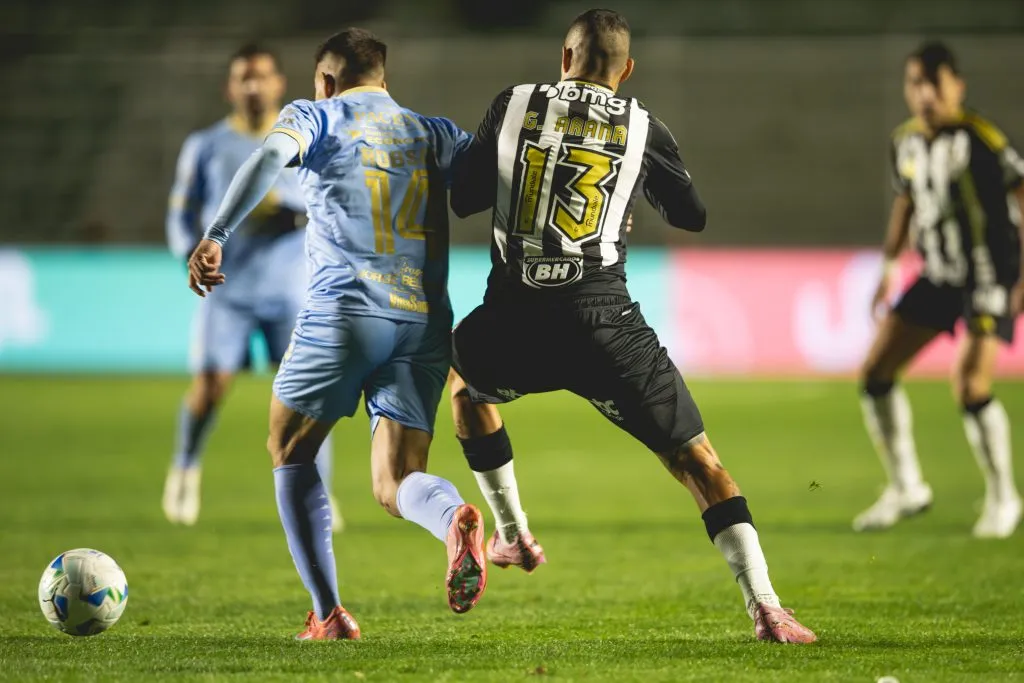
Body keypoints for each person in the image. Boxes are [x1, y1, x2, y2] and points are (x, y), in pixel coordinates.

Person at [445, 9, 816, 643]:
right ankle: (767, 607)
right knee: (699, 462)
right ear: (627, 70)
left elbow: (463, 197)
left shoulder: (513, 102)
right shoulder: (645, 126)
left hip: (514, 324)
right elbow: (691, 216)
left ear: (564, 58)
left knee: (464, 386)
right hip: (607, 329)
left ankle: (513, 536)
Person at [186, 29, 487, 640]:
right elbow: (489, 191)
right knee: (397, 481)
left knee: (289, 448)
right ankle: (452, 515)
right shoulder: (436, 132)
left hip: (345, 313)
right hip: (424, 322)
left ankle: (328, 614)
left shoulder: (315, 116)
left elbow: (267, 160)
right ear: (384, 76)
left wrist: (217, 232)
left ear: (325, 79)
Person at [163, 44, 340, 530]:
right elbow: (181, 214)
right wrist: (189, 254)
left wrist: (295, 216)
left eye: (262, 76)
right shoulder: (206, 145)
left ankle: (316, 491)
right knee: (211, 388)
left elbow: (330, 205)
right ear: (230, 87)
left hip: (291, 289)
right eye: (244, 77)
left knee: (307, 396)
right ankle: (185, 465)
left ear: (280, 84)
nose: (253, 86)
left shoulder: (308, 139)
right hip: (229, 290)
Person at [855, 41, 1024, 539]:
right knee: (874, 373)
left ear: (957, 86)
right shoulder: (904, 141)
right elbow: (905, 203)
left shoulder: (984, 140)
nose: (925, 93)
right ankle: (906, 487)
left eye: (935, 82)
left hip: (987, 273)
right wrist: (888, 265)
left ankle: (1003, 497)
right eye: (915, 83)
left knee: (970, 386)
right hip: (936, 275)